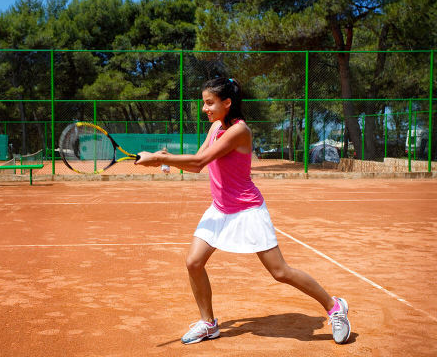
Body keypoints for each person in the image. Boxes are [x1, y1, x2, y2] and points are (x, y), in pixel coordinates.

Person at [135, 77, 351, 345]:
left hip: (247, 210)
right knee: (194, 262)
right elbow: (195, 166)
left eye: (209, 103)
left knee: (280, 272)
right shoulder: (216, 126)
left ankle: (335, 306)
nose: (204, 108)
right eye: (204, 103)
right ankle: (208, 323)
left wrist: (159, 158)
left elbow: (200, 161)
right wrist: (164, 160)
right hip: (220, 209)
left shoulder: (239, 131)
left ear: (227, 103)